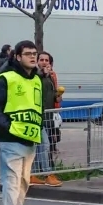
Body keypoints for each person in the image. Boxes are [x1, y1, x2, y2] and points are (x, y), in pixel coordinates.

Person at [0, 41, 45, 205]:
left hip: (29, 138)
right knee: (12, 180)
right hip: (11, 137)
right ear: (18, 57)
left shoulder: (36, 80)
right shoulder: (7, 78)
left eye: (34, 53)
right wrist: (6, 126)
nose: (32, 57)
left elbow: (38, 107)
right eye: (27, 54)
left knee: (23, 182)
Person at [37, 50, 65, 184]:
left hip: (49, 116)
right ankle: (47, 174)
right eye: (41, 60)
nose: (44, 62)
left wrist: (58, 96)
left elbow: (54, 95)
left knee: (43, 146)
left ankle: (37, 174)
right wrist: (43, 74)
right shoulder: (35, 75)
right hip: (38, 116)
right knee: (45, 145)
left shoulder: (50, 77)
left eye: (46, 60)